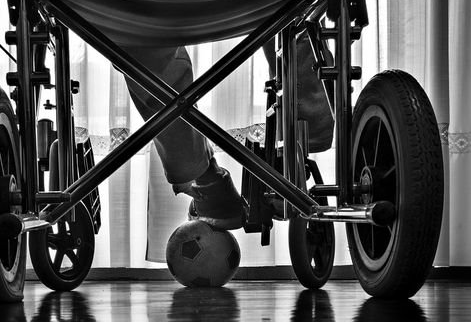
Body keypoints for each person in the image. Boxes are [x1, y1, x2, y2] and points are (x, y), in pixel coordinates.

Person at [121, 35, 332, 230]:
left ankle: (207, 184)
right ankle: (294, 157)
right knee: (295, 22)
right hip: (252, 5)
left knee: (141, 33)